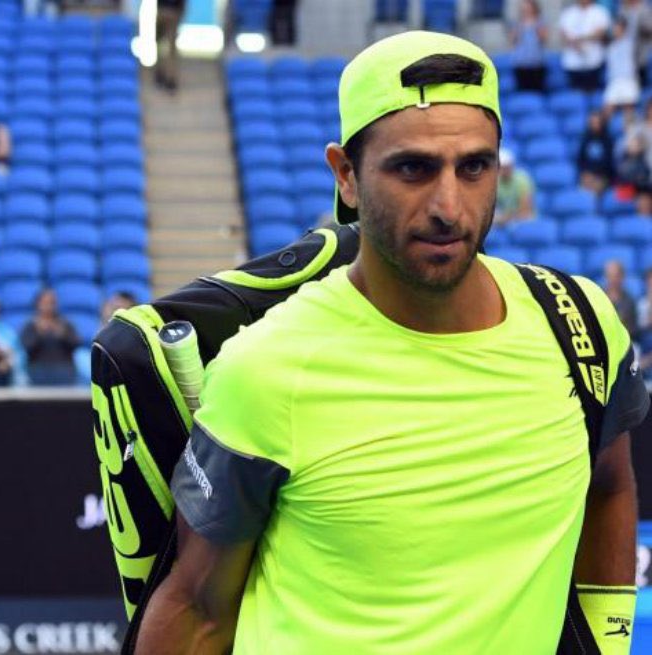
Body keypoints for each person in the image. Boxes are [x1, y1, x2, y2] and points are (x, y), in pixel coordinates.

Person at [137, 31, 647, 654]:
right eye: (413, 168)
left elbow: (611, 487)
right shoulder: (268, 368)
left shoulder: (581, 327)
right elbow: (196, 609)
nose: (448, 206)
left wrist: (608, 640)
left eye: (475, 167)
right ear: (346, 176)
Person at [21, 288, 80, 386]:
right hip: (38, 371)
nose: (48, 306)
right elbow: (27, 347)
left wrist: (62, 334)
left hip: (63, 371)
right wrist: (38, 333)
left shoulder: (65, 324)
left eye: (52, 303)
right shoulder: (31, 326)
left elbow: (76, 344)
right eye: (45, 303)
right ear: (37, 304)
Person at [560, 0, 613, 92]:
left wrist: (581, 39)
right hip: (573, 63)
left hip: (593, 62)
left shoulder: (599, 12)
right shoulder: (568, 13)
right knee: (575, 95)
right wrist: (575, 43)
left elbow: (601, 33)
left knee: (592, 93)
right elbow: (564, 34)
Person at [604, 16, 641, 119]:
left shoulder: (631, 43)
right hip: (614, 81)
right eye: (615, 28)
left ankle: (630, 134)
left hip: (628, 79)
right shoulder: (610, 47)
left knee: (628, 110)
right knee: (607, 109)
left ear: (624, 29)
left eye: (618, 28)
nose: (616, 30)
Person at [510, 0, 548, 92]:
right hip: (521, 63)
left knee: (537, 91)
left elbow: (544, 38)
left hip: (536, 63)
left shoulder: (540, 22)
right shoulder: (517, 23)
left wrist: (534, 25)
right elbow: (512, 40)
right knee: (522, 91)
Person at [494, 148, 536, 225]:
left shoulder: (522, 180)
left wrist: (506, 218)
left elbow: (526, 210)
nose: (505, 170)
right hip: (504, 218)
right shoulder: (494, 182)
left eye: (507, 167)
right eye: (502, 168)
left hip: (520, 219)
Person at [578, 110, 616, 193]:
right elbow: (580, 160)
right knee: (583, 189)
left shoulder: (608, 141)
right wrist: (585, 174)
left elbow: (609, 162)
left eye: (597, 122)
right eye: (593, 122)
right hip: (587, 175)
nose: (595, 125)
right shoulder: (585, 139)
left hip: (603, 176)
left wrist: (595, 175)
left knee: (595, 189)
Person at [155, 0, 185, 92]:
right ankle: (169, 77)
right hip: (172, 12)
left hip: (165, 11)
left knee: (163, 46)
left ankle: (163, 74)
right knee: (169, 49)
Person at [620, 0, 652, 84]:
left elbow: (649, 30)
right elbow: (619, 29)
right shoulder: (624, 9)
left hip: (643, 50)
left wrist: (644, 28)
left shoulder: (646, 9)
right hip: (627, 51)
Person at [604, 258, 639, 336]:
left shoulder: (630, 301)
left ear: (622, 277)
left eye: (616, 276)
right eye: (610, 276)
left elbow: (634, 329)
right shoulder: (599, 298)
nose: (613, 279)